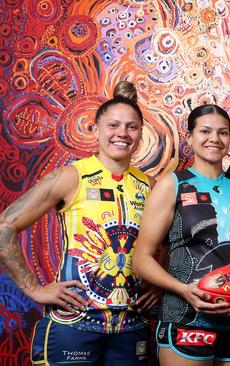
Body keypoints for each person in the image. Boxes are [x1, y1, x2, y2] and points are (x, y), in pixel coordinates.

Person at [0, 81, 158, 365]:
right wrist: (34, 288)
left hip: (131, 327)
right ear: (95, 130)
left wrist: (160, 286)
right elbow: (5, 228)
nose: (122, 133)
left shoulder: (153, 186)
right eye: (113, 125)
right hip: (74, 324)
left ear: (141, 133)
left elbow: (176, 239)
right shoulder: (71, 176)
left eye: (131, 127)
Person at [133, 104, 230, 366]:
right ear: (190, 137)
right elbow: (141, 258)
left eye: (223, 132)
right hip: (187, 314)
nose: (214, 138)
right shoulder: (172, 185)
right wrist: (184, 290)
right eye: (205, 131)